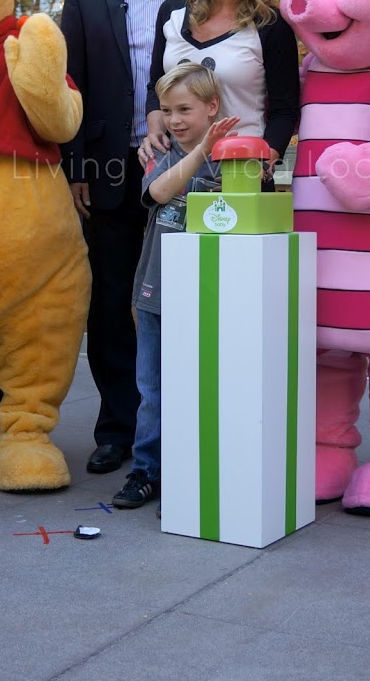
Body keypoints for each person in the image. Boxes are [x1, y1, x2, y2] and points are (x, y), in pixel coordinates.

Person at [60, 0, 189, 475]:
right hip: (109, 174)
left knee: (181, 300)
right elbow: (72, 82)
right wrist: (76, 165)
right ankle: (117, 428)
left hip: (182, 168)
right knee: (111, 304)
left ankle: (179, 426)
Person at [113, 63, 240, 511]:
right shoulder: (160, 155)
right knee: (153, 390)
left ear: (211, 106)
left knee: (200, 388)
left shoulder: (235, 157)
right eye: (166, 110)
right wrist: (201, 147)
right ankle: (146, 470)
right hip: (155, 294)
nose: (174, 120)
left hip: (208, 298)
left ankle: (191, 471)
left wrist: (215, 149)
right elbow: (160, 193)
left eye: (184, 108)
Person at [139, 0, 299, 178]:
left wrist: (264, 162)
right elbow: (155, 87)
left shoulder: (271, 26)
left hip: (241, 175)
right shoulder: (171, 12)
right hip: (175, 174)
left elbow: (284, 111)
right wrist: (154, 132)